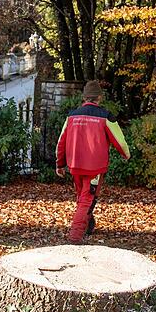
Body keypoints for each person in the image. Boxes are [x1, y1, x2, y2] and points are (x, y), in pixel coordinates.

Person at [55, 80, 131, 244]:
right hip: (95, 167)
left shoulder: (72, 116)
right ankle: (75, 236)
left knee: (82, 197)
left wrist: (60, 165)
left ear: (84, 97)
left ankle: (88, 224)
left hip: (75, 165)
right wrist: (126, 154)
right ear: (99, 97)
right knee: (86, 199)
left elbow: (61, 141)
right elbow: (120, 141)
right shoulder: (106, 116)